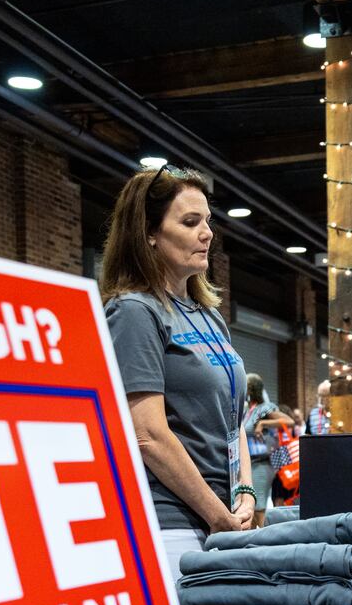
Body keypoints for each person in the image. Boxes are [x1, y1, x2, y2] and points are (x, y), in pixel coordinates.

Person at [100, 164, 255, 582]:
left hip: (222, 519)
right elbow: (147, 435)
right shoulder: (134, 312)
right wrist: (216, 514)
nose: (207, 233)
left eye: (207, 221)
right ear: (148, 233)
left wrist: (244, 490)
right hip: (170, 525)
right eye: (190, 222)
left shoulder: (209, 317)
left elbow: (233, 416)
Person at [241, 374, 291, 526]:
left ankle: (265, 540)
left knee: (258, 506)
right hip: (251, 462)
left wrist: (263, 423)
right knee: (252, 505)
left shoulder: (264, 408)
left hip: (264, 462)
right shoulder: (247, 410)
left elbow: (288, 421)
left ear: (250, 388)